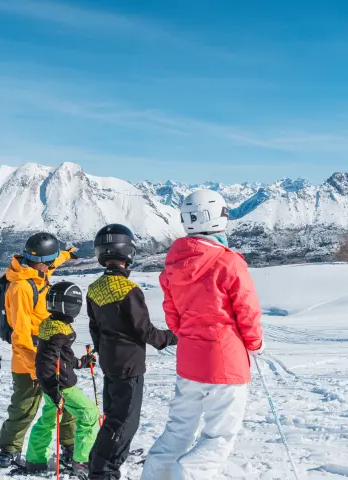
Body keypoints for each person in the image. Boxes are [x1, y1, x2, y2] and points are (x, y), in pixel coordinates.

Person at [141, 190, 265, 480]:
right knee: (219, 435)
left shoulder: (174, 264)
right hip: (225, 361)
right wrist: (255, 344)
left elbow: (173, 318)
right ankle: (191, 473)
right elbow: (247, 310)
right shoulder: (229, 261)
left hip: (189, 361)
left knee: (178, 430)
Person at [87, 224, 178, 480]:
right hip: (129, 364)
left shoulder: (94, 288)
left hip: (109, 363)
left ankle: (98, 462)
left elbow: (95, 328)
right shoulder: (129, 290)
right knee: (125, 421)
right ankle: (104, 471)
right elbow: (144, 330)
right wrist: (174, 336)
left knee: (113, 417)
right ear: (127, 252)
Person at [0, 232, 79, 469]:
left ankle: (70, 447)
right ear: (41, 261)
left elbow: (53, 262)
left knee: (67, 403)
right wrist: (37, 371)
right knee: (23, 408)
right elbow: (19, 336)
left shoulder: (37, 272)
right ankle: (8, 451)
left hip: (51, 353)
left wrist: (67, 255)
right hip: (28, 359)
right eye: (50, 262)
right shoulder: (21, 287)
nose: (52, 266)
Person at [17, 281, 100, 479]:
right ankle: (82, 461)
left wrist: (79, 363)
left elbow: (60, 356)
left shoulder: (51, 325)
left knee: (47, 421)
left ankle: (35, 460)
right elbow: (46, 362)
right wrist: (54, 389)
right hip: (61, 386)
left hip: (52, 384)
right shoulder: (59, 330)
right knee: (89, 414)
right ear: (71, 306)